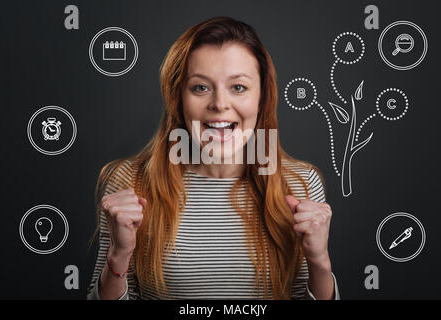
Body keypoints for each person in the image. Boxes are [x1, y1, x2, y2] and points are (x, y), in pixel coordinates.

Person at [87, 16, 340, 300]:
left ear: (262, 97)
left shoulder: (301, 183)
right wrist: (119, 257)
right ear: (178, 98)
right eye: (200, 87)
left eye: (238, 87)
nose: (220, 104)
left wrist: (320, 263)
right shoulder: (131, 182)